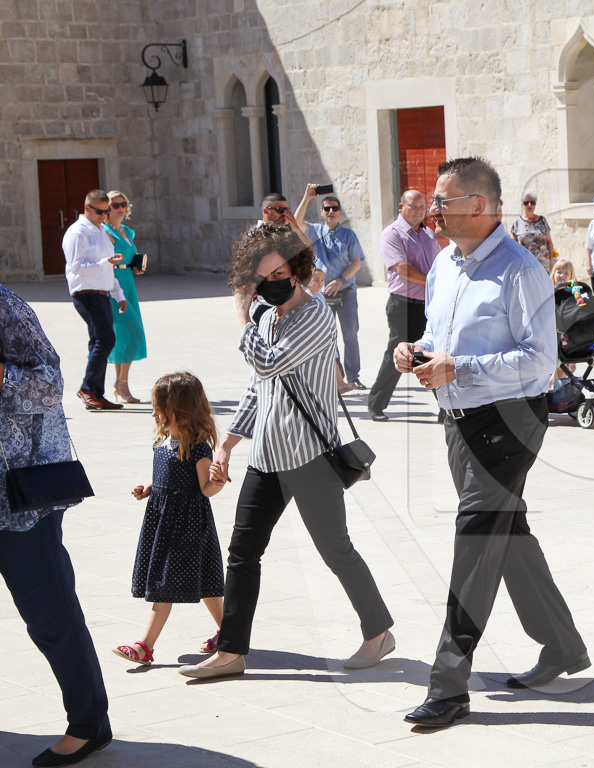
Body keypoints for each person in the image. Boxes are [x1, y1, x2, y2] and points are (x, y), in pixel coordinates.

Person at [396, 157, 588, 728]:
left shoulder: (521, 270)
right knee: (506, 531)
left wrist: (461, 367)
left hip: (509, 422)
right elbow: (437, 334)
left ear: (478, 205)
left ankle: (448, 685)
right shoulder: (443, 264)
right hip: (456, 420)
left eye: (443, 200)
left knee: (477, 538)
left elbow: (540, 361)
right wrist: (417, 351)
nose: (434, 209)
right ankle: (562, 644)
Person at [178, 224, 395, 679]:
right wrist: (229, 443)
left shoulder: (315, 316)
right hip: (267, 457)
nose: (269, 284)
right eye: (260, 278)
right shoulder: (267, 318)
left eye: (277, 273)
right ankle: (231, 651)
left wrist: (243, 317)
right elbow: (259, 387)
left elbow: (268, 363)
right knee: (242, 552)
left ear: (296, 269)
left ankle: (378, 631)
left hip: (309, 457)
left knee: (335, 550)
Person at [0, 284, 112, 767]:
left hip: (20, 500)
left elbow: (49, 384)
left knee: (51, 618)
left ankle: (89, 724)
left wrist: (2, 376)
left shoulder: (5, 306)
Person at [113, 372, 226, 665]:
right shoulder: (163, 442)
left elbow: (205, 489)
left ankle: (144, 646)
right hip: (163, 520)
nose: (154, 414)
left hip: (187, 525)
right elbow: (168, 478)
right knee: (205, 582)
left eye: (160, 409)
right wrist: (150, 488)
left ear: (182, 410)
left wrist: (218, 482)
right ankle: (229, 632)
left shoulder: (198, 448)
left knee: (164, 585)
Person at [366, 190, 441, 422]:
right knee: (398, 356)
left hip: (428, 304)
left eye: (422, 207)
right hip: (404, 306)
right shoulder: (392, 234)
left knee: (431, 354)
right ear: (401, 207)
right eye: (413, 206)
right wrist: (433, 281)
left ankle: (446, 408)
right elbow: (403, 269)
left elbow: (438, 264)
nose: (418, 211)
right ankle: (376, 404)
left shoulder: (428, 233)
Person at [295, 185, 366, 391]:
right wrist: (307, 197)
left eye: (334, 208)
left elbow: (356, 263)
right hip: (322, 293)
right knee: (327, 336)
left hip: (346, 292)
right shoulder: (315, 231)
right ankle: (338, 378)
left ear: (340, 212)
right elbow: (296, 223)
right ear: (322, 212)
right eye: (327, 208)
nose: (331, 212)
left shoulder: (349, 235)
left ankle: (354, 376)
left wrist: (340, 280)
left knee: (350, 335)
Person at [63, 189, 127, 411]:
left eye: (105, 211)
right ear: (86, 208)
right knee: (106, 339)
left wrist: (118, 293)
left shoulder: (101, 231)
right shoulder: (77, 232)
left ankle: (97, 394)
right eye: (99, 211)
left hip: (103, 293)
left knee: (98, 342)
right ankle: (87, 389)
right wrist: (105, 262)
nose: (103, 216)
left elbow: (108, 267)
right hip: (85, 293)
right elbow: (76, 267)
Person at [102, 190, 148, 404]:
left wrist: (135, 266)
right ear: (107, 209)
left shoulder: (128, 232)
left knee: (125, 335)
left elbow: (128, 257)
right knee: (133, 333)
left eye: (123, 204)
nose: (120, 208)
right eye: (115, 205)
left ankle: (121, 383)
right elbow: (106, 259)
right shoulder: (106, 232)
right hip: (114, 284)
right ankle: (121, 383)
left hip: (128, 281)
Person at [510, 193, 555, 272]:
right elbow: (513, 247)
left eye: (532, 202)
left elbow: (549, 242)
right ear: (522, 205)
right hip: (525, 266)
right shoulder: (517, 223)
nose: (529, 205)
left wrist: (552, 262)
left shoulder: (542, 220)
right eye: (526, 202)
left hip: (543, 266)